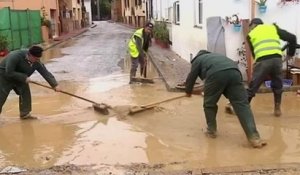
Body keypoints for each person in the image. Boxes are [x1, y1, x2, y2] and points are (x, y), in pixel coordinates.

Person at [185, 50, 266, 148]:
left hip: (216, 74)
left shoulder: (198, 60)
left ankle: (211, 131)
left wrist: (188, 91)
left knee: (209, 104)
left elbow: (191, 77)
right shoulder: (216, 56)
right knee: (242, 105)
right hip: (235, 73)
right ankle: (255, 138)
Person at [246, 18, 297, 116]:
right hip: (277, 60)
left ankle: (242, 108)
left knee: (253, 85)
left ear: (252, 25)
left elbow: (254, 53)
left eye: (250, 27)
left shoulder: (250, 35)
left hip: (263, 61)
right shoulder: (273, 28)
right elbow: (292, 38)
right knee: (278, 84)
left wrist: (256, 65)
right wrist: (290, 54)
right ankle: (277, 109)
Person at [0, 45, 61, 120]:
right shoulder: (14, 56)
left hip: (21, 77)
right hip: (4, 76)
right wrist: (24, 77)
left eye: (38, 59)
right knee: (1, 96)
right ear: (29, 55)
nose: (37, 60)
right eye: (35, 58)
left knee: (25, 93)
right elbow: (9, 72)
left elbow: (45, 72)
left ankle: (25, 114)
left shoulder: (36, 61)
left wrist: (55, 85)